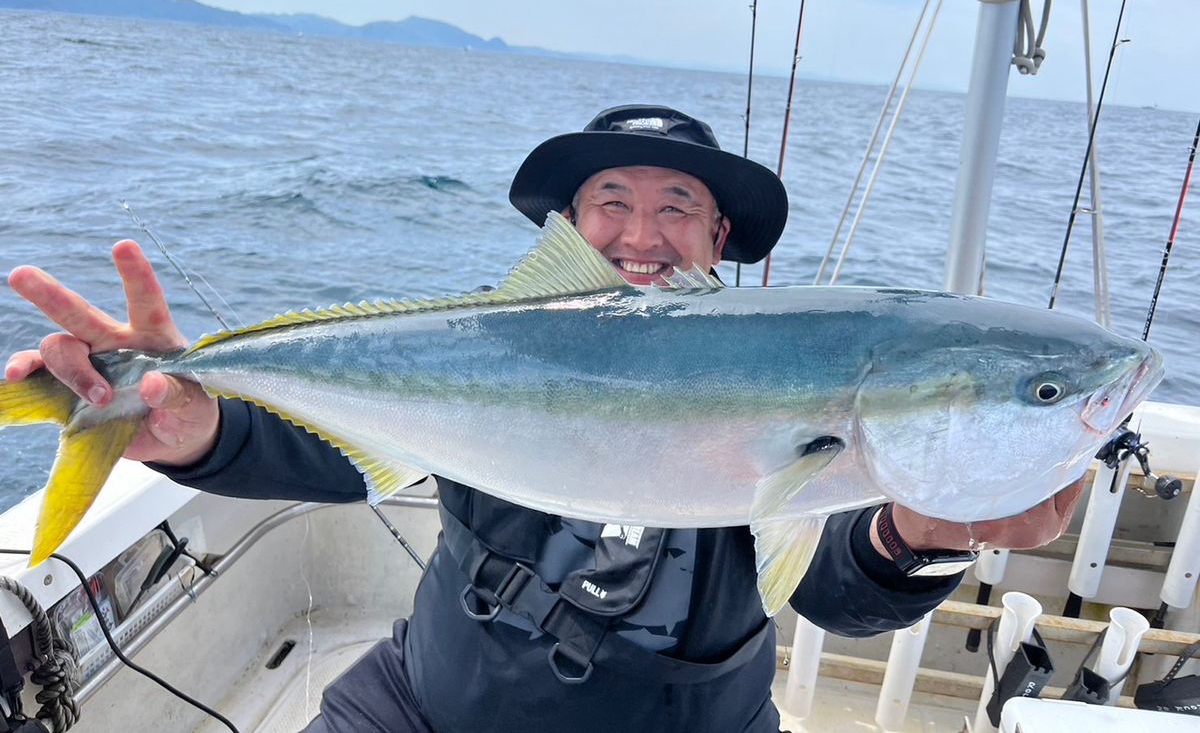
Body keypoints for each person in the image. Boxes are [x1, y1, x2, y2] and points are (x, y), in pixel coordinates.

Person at [6, 105, 1083, 732]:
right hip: (429, 705)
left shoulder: (796, 374)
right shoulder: (492, 348)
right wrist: (189, 421)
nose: (643, 232)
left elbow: (839, 586)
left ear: (722, 245)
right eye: (612, 201)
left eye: (680, 210)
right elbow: (338, 458)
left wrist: (937, 526)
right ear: (568, 228)